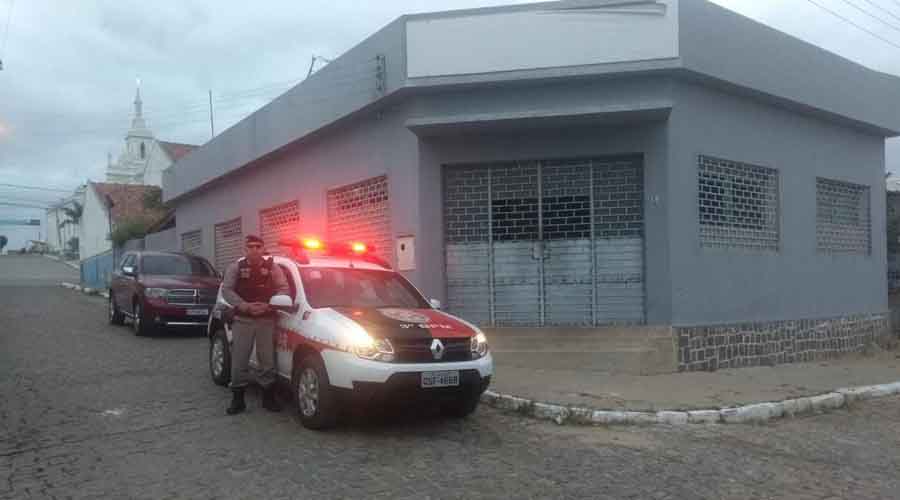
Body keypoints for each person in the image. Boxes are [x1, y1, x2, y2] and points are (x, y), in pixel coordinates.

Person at [221, 235, 289, 415]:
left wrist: (269, 305)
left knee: (267, 361)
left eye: (258, 246)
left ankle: (268, 398)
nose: (254, 250)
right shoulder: (236, 267)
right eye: (250, 246)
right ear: (245, 249)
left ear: (263, 249)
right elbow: (226, 290)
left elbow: (283, 288)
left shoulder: (273, 268)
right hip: (243, 320)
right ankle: (238, 400)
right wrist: (245, 306)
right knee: (239, 360)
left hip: (266, 320)